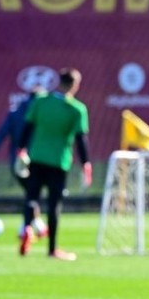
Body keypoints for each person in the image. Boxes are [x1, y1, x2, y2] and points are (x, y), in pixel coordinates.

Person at [16, 68, 92, 260]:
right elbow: (81, 140)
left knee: (32, 197)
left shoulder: (40, 101)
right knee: (54, 204)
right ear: (75, 85)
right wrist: (86, 164)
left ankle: (27, 229)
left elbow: (27, 127)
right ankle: (52, 249)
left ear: (59, 82)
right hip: (58, 162)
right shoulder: (77, 109)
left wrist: (21, 149)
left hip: (36, 158)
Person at [0, 86, 48, 237]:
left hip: (16, 163)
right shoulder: (42, 113)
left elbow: (0, 136)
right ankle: (26, 228)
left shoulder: (14, 113)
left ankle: (38, 225)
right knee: (33, 195)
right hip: (37, 162)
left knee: (31, 194)